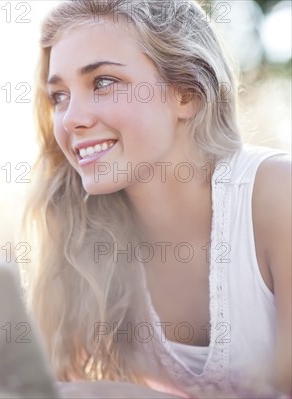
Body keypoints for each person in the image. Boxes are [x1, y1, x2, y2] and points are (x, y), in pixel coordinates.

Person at [23, 0, 291, 397]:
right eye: (58, 95)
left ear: (186, 93)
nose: (71, 118)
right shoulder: (83, 231)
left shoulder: (276, 195)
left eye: (102, 82)